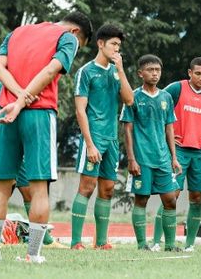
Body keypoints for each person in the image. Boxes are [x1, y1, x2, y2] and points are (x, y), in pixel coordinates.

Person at [0, 11, 92, 264]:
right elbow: (51, 70)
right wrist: (23, 100)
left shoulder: (17, 32)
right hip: (39, 114)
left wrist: (16, 98)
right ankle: (33, 255)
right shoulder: (67, 37)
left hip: (7, 112)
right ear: (77, 33)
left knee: (1, 186)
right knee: (39, 186)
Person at [0, 77, 62, 247]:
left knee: (30, 193)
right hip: (1, 148)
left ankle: (44, 240)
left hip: (22, 149)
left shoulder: (25, 81)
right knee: (0, 192)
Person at [70, 24, 133, 250]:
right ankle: (76, 241)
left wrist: (122, 70)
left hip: (111, 139)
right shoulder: (86, 72)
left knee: (107, 189)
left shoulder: (116, 71)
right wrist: (89, 144)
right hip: (93, 137)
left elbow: (129, 100)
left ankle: (102, 242)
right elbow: (80, 110)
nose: (117, 49)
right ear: (100, 44)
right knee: (87, 187)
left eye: (119, 45)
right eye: (113, 44)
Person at [152, 57, 201, 251]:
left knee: (197, 197)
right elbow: (156, 104)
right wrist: (164, 136)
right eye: (198, 73)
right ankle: (157, 242)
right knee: (171, 195)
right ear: (190, 73)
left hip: (200, 154)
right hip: (178, 152)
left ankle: (190, 244)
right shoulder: (177, 89)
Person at [121, 54, 181, 252]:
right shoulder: (133, 97)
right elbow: (127, 129)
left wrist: (174, 157)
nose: (155, 74)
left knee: (170, 200)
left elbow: (169, 128)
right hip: (142, 159)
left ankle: (170, 245)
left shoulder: (166, 97)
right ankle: (141, 244)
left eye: (158, 70)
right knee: (142, 199)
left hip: (163, 159)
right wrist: (131, 159)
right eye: (150, 70)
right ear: (140, 73)